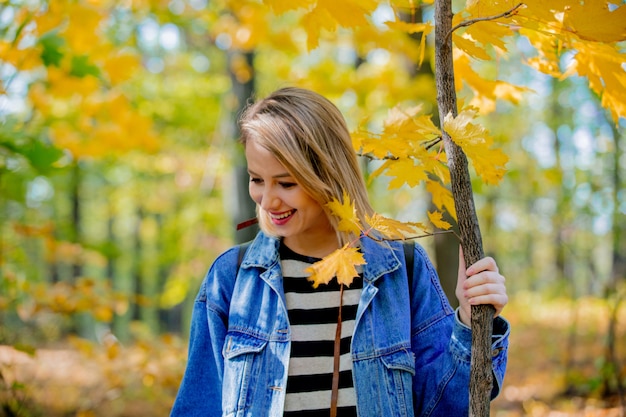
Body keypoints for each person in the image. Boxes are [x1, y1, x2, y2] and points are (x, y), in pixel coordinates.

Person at [170, 87, 509, 417]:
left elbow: (445, 408)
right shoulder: (232, 278)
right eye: (257, 179)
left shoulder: (401, 270)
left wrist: (469, 322)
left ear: (328, 175)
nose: (268, 201)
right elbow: (200, 406)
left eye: (286, 183)